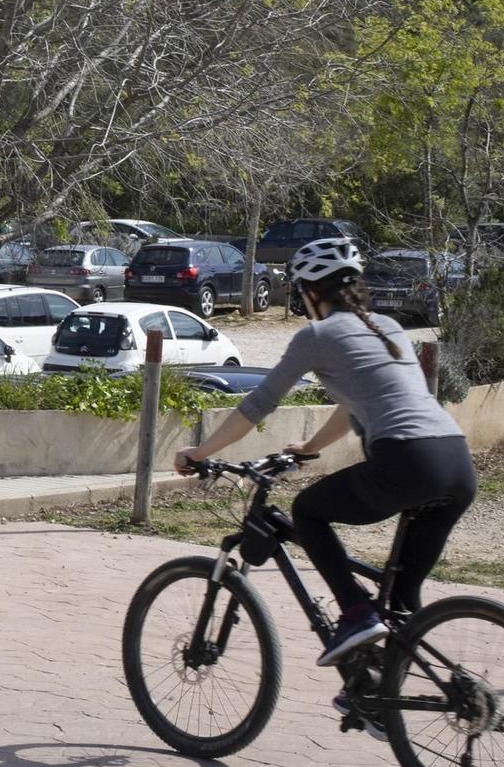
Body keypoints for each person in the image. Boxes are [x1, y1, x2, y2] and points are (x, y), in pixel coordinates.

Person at [175, 237, 475, 672]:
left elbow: (258, 405)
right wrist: (310, 448)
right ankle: (382, 696)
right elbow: (357, 405)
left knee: (307, 511)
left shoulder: (316, 336)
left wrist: (199, 452)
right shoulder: (389, 328)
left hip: (405, 461)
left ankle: (354, 615)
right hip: (455, 462)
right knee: (402, 602)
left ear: (309, 292)